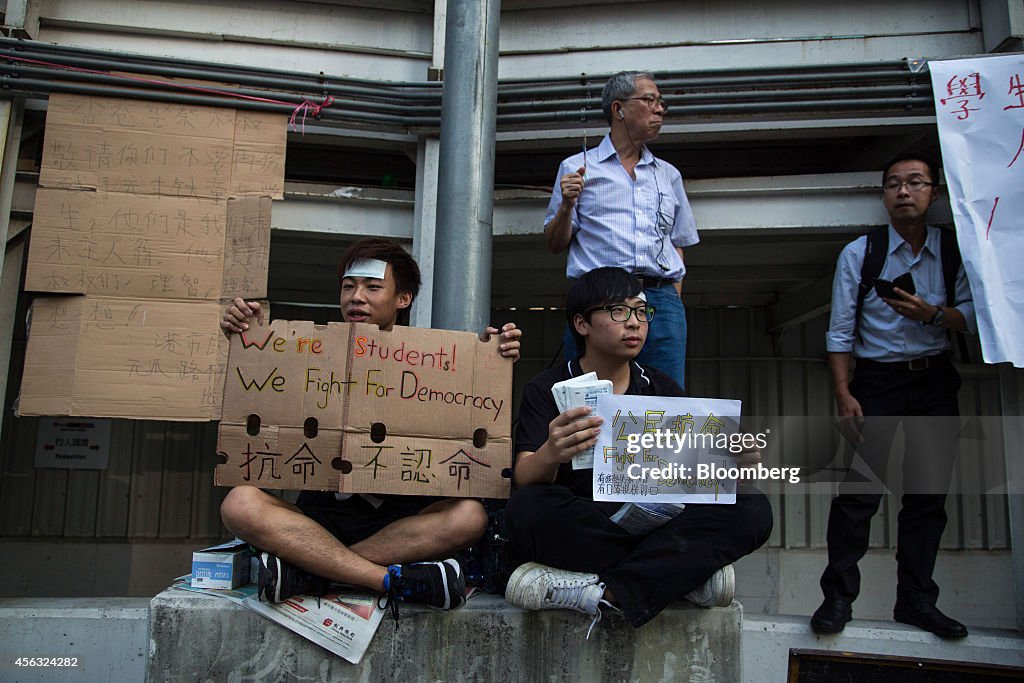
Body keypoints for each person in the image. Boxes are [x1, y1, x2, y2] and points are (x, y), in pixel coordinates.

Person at [219, 237, 522, 618]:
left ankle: (312, 574)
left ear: (403, 299)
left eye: (372, 287)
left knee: (470, 516)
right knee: (239, 502)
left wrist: (493, 359)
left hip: (400, 528)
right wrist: (246, 340)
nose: (356, 297)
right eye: (348, 287)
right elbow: (257, 406)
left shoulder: (437, 367)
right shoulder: (304, 355)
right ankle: (384, 580)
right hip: (316, 523)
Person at [502, 267, 772, 633]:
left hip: (654, 518)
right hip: (586, 519)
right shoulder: (547, 387)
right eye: (618, 311)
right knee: (527, 510)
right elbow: (523, 476)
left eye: (641, 312)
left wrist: (728, 465)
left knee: (753, 509)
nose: (634, 324)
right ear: (582, 324)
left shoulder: (662, 389)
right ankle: (680, 574)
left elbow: (691, 475)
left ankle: (609, 590)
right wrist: (552, 451)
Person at [811, 154, 975, 639]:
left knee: (927, 498)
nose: (903, 192)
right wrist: (843, 392)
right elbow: (839, 329)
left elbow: (971, 315)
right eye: (892, 185)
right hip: (875, 383)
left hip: (934, 381)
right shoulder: (861, 253)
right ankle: (838, 599)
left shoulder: (952, 252)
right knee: (858, 497)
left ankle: (917, 602)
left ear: (934, 193)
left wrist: (931, 314)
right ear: (884, 195)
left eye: (915, 183)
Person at [543, 71, 699, 389]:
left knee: (665, 394)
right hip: (600, 298)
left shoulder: (668, 174)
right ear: (619, 109)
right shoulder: (577, 167)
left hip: (658, 301)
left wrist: (671, 297)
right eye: (649, 100)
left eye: (661, 103)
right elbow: (554, 243)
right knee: (590, 393)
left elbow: (678, 243)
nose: (659, 109)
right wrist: (567, 204)